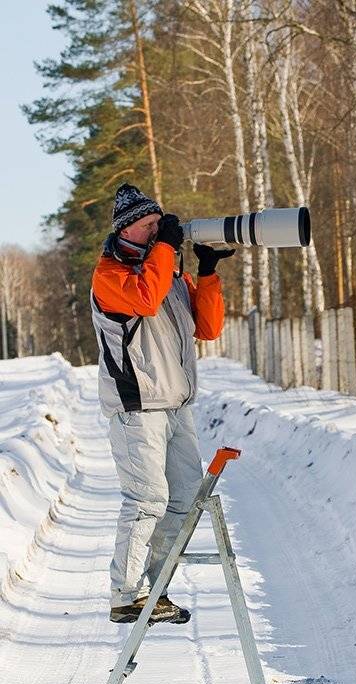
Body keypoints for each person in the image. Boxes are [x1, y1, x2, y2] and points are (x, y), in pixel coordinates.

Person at [90, 183, 235, 624]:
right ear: (125, 230)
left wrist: (206, 274)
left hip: (176, 407)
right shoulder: (109, 275)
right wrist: (169, 250)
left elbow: (207, 329)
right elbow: (145, 302)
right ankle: (124, 594)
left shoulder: (168, 274)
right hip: (138, 409)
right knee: (147, 499)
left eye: (160, 224)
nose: (158, 231)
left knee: (185, 499)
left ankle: (153, 592)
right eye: (149, 224)